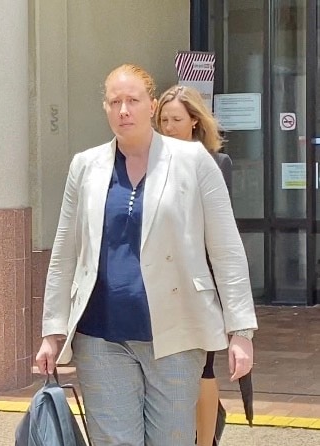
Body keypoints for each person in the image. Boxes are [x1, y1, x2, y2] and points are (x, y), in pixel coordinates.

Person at [35, 63, 257, 445]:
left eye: (133, 100)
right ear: (105, 108)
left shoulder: (193, 162)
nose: (124, 110)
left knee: (171, 439)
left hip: (175, 334)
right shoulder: (85, 166)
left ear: (151, 105)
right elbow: (65, 255)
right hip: (101, 335)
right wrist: (52, 333)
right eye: (115, 101)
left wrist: (241, 331)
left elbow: (226, 249)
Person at [155, 84, 231, 446]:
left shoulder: (215, 163)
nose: (169, 126)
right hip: (162, 276)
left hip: (201, 277)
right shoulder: (150, 161)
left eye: (176, 120)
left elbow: (220, 229)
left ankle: (205, 441)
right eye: (163, 120)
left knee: (203, 363)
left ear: (195, 122)